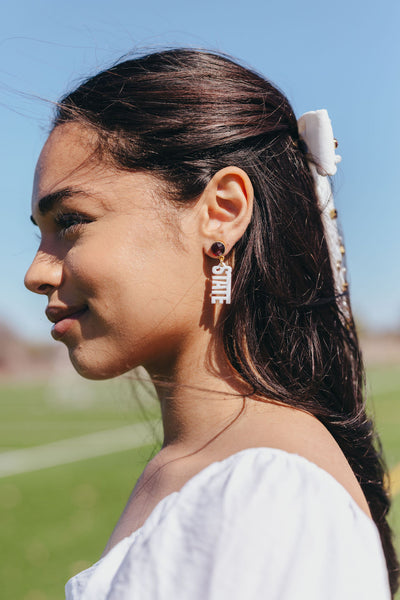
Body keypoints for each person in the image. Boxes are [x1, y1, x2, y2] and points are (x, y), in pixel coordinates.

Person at [24, 48, 398, 599]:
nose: (35, 272)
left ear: (221, 210)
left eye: (72, 222)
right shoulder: (205, 467)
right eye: (39, 231)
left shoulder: (267, 496)